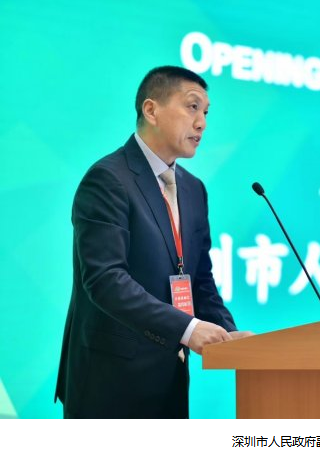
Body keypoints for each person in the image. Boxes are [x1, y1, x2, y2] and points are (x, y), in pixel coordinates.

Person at [55, 66, 247, 418]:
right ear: (151, 110)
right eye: (192, 107)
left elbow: (200, 280)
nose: (202, 123)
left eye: (206, 112)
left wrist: (228, 334)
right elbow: (105, 280)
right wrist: (188, 328)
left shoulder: (193, 189)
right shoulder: (108, 179)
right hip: (109, 383)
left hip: (169, 378)